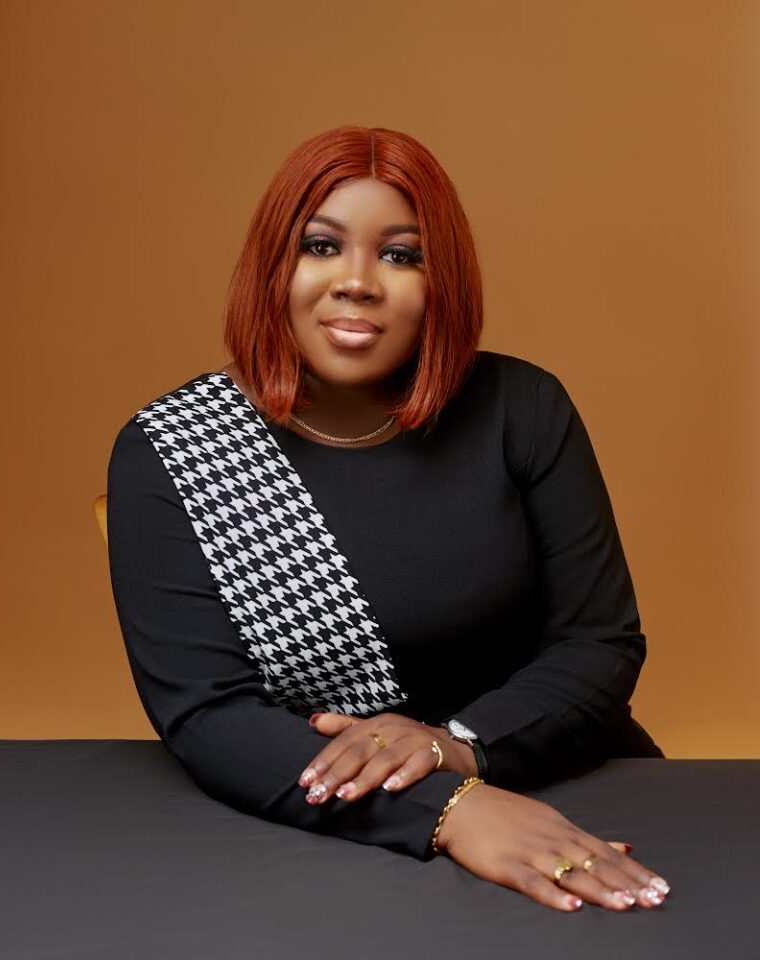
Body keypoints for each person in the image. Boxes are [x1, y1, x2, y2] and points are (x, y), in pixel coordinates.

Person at [107, 125, 671, 914]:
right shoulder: (171, 450)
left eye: (401, 255)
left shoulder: (523, 407)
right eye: (320, 246)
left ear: (444, 282)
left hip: (578, 788)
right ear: (272, 266)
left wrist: (458, 749)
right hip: (324, 831)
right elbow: (208, 714)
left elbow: (600, 642)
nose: (357, 282)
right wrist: (452, 811)